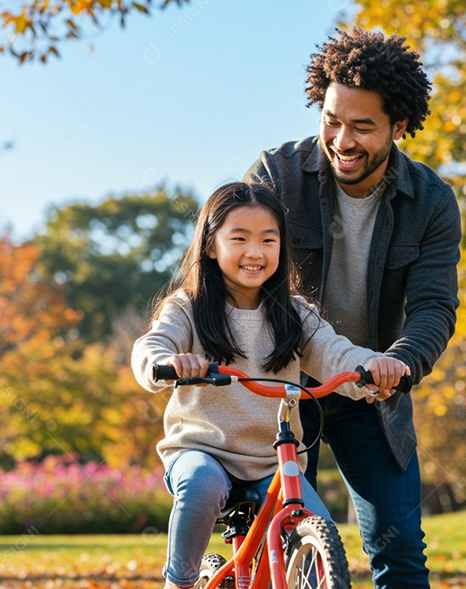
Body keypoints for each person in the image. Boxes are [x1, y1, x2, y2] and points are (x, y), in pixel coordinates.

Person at [243, 28, 461, 589]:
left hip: (372, 390)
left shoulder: (432, 202)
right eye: (333, 120)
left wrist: (402, 362)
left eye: (363, 126)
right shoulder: (276, 178)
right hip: (284, 387)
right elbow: (234, 275)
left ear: (399, 127)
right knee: (279, 553)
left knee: (402, 554)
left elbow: (434, 306)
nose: (343, 139)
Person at [130, 181, 410, 589]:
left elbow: (336, 353)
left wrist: (373, 366)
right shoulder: (187, 308)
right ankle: (180, 582)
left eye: (268, 239)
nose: (255, 252)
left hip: (273, 460)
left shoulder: (296, 314)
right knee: (201, 485)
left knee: (315, 525)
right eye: (239, 238)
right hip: (204, 449)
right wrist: (167, 362)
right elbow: (152, 346)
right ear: (211, 246)